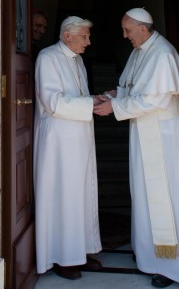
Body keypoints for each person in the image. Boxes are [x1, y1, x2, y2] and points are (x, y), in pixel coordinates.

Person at [94, 8, 179, 288]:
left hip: (165, 136)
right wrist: (115, 94)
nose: (124, 35)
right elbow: (135, 90)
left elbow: (152, 101)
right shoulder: (141, 51)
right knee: (143, 194)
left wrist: (113, 107)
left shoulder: (162, 54)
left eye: (128, 30)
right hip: (145, 131)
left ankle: (174, 266)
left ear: (143, 28)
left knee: (167, 196)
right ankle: (150, 256)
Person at [34, 16, 103, 280]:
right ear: (67, 36)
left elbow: (79, 97)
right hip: (59, 143)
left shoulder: (78, 60)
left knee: (82, 196)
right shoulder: (48, 57)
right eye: (84, 36)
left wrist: (93, 100)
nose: (88, 41)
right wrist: (91, 105)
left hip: (80, 137)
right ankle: (62, 257)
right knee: (64, 198)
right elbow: (52, 101)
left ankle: (81, 252)